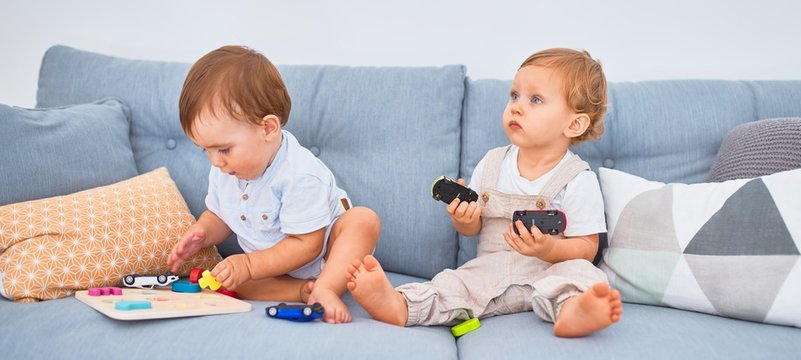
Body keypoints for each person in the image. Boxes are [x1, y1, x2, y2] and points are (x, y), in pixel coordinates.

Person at [346, 48, 622, 337]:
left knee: (584, 275)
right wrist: (464, 220)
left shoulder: (577, 179)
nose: (516, 107)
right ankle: (400, 304)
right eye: (514, 96)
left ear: (574, 124)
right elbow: (472, 228)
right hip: (491, 270)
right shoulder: (492, 164)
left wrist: (549, 249)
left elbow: (587, 247)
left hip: (550, 271)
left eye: (535, 99)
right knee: (454, 285)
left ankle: (574, 311)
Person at [166, 45, 380, 324]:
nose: (215, 162)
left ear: (267, 128)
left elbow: (308, 245)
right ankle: (303, 292)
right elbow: (222, 216)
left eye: (223, 149)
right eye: (204, 150)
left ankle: (326, 287)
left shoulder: (300, 174)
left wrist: (250, 265)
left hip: (326, 254)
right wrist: (202, 233)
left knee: (363, 220)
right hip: (274, 270)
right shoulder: (224, 170)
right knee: (229, 280)